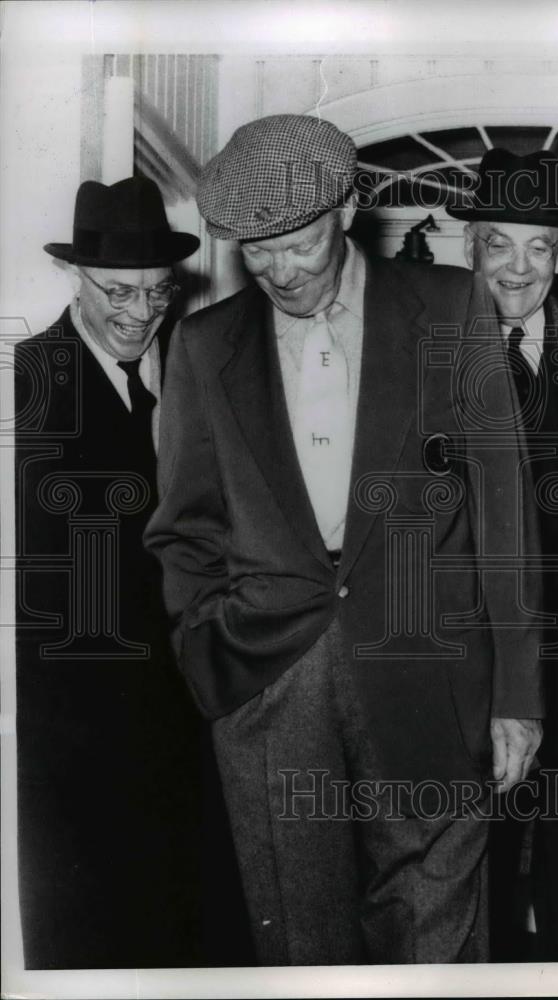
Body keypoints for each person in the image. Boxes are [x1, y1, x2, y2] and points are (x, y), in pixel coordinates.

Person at [144, 114, 544, 965]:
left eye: (299, 244)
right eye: (256, 252)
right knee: (301, 938)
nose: (281, 271)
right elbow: (183, 526)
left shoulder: (448, 305)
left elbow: (503, 502)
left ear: (349, 209)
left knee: (438, 926)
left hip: (431, 664)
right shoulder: (202, 346)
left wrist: (518, 692)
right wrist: (208, 647)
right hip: (268, 674)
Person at [14, 177, 251, 968]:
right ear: (75, 279)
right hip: (78, 728)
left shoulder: (174, 374)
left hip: (178, 711)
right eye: (118, 291)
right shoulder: (29, 381)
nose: (139, 311)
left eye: (156, 293)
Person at [449, 148, 558, 961]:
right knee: (473, 850)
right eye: (500, 244)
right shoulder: (427, 351)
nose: (518, 268)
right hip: (473, 655)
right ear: (470, 248)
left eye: (539, 248)